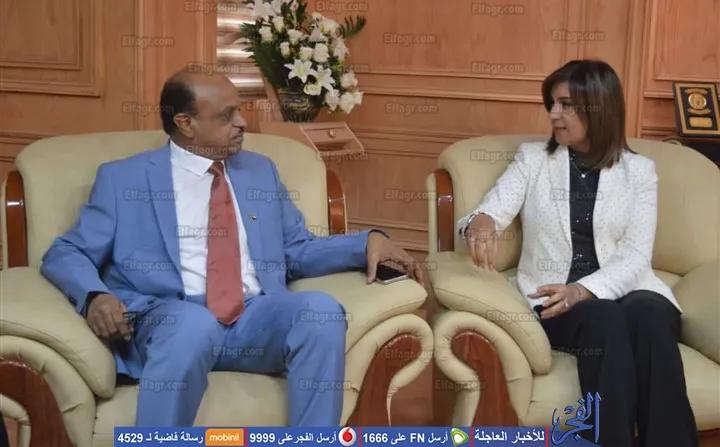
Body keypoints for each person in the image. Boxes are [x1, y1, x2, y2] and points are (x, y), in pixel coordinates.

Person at [40, 70, 422, 427]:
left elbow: (296, 249)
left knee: (319, 311)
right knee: (192, 324)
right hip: (169, 319)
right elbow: (67, 251)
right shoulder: (124, 179)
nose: (242, 122)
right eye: (226, 116)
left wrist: (365, 242)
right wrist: (95, 296)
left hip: (252, 318)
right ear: (185, 123)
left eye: (239, 111)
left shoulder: (260, 171)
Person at [457, 59, 697, 447]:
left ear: (599, 108)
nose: (554, 114)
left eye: (566, 105)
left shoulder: (639, 172)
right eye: (552, 104)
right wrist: (480, 220)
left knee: (651, 317)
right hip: (557, 297)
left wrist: (583, 290)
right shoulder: (533, 159)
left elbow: (636, 255)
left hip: (629, 288)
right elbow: (492, 210)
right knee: (604, 317)